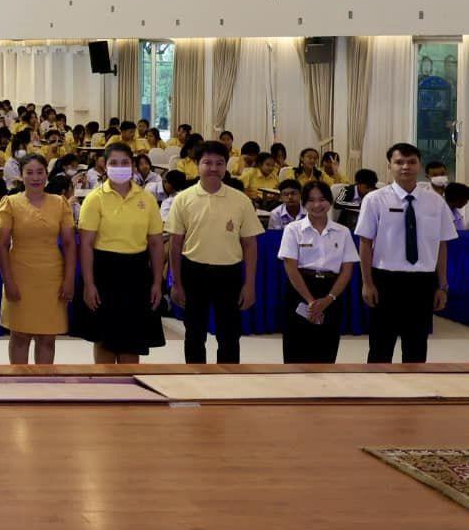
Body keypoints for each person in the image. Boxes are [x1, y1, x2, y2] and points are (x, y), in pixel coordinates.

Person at [357, 142, 456, 363]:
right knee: (380, 347)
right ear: (389, 166)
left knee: (416, 347)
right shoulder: (374, 200)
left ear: (419, 166)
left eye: (411, 162)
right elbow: (365, 243)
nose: (405, 167)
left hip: (422, 282)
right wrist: (367, 282)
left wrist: (442, 286)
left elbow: (441, 245)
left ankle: (413, 396)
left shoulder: (436, 202)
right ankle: (377, 395)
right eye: (399, 162)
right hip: (385, 280)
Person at [168, 141, 260, 364]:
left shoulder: (241, 200)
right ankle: (195, 382)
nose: (213, 168)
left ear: (226, 167)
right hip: (194, 272)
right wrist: (177, 283)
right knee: (194, 335)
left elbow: (250, 245)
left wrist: (249, 285)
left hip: (229, 274)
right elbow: (175, 245)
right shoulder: (183, 199)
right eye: (207, 162)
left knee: (229, 336)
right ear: (197, 165)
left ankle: (227, 386)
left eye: (219, 163)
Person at [78, 142, 167, 364]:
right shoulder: (94, 199)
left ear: (133, 166)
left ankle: (129, 395)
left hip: (137, 274)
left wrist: (157, 282)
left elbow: (156, 244)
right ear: (105, 166)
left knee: (131, 343)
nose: (120, 167)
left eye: (125, 162)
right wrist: (89, 285)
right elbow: (86, 245)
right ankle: (104, 393)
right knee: (104, 341)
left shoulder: (146, 199)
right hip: (104, 272)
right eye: (114, 163)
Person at [0, 153, 76, 365]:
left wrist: (68, 280)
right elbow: (1, 245)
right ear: (21, 176)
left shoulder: (60, 203)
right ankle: (19, 387)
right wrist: (8, 282)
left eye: (40, 172)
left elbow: (68, 243)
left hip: (52, 277)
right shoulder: (9, 203)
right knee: (20, 336)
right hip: (19, 275)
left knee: (47, 337)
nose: (35, 177)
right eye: (29, 172)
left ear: (47, 175)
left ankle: (44, 388)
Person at [279, 180, 358, 364]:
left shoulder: (343, 232)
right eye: (311, 200)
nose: (316, 205)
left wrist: (329, 299)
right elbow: (290, 267)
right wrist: (311, 302)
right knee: (296, 348)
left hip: (332, 292)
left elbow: (347, 270)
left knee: (326, 348)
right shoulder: (293, 229)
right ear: (304, 203)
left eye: (322, 199)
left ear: (330, 201)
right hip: (300, 290)